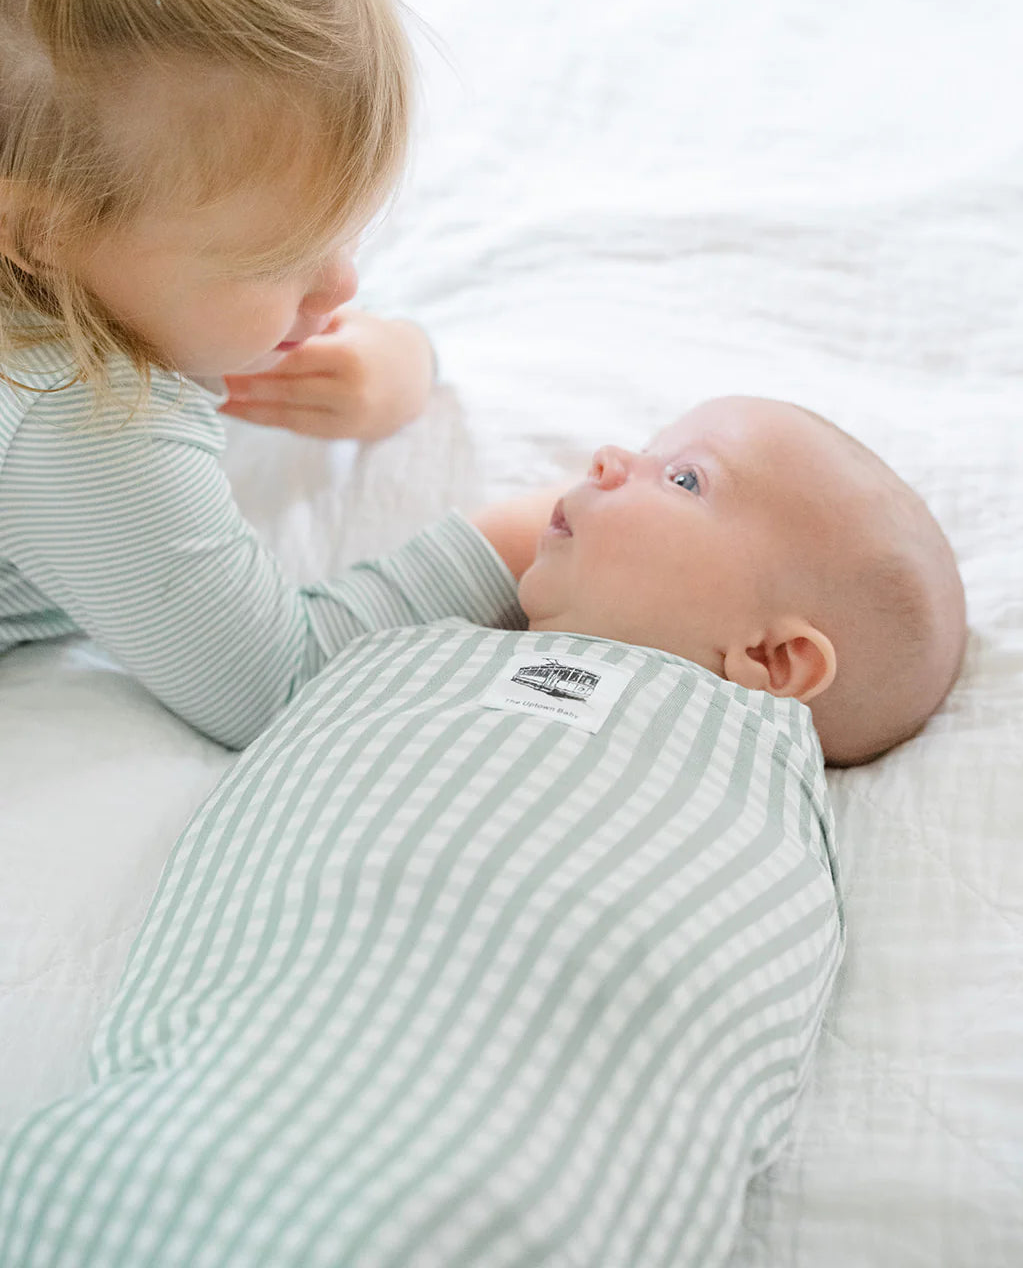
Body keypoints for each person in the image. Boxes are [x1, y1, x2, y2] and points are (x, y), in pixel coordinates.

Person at [0, 397, 966, 1268]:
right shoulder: (419, 661)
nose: (604, 459)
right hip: (180, 1132)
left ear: (771, 657)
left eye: (683, 478)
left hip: (494, 1198)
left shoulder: (740, 787)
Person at [0, 0, 436, 749]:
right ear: (38, 239)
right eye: (280, 260)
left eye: (339, 231)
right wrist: (509, 548)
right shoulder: (76, 423)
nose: (342, 289)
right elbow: (280, 688)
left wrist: (397, 358)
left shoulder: (88, 225)